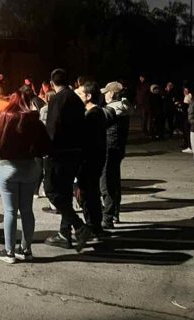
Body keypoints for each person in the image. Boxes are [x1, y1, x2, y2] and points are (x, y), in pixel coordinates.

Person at [0, 91, 51, 263]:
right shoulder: (34, 121)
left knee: (10, 211)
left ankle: (9, 252)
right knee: (27, 210)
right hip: (30, 168)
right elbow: (46, 147)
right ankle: (26, 249)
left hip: (8, 168)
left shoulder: (4, 118)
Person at [43, 68, 91, 251]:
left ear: (52, 83)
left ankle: (79, 227)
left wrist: (46, 149)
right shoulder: (76, 99)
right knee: (64, 192)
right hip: (74, 153)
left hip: (59, 154)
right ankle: (65, 233)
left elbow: (53, 128)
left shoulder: (57, 99)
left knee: (51, 190)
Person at [75, 81, 107, 237]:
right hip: (95, 160)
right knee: (91, 193)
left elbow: (86, 142)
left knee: (88, 195)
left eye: (80, 94)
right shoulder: (96, 113)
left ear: (88, 96)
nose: (77, 96)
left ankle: (92, 226)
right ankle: (95, 226)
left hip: (90, 161)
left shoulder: (93, 115)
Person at [100, 81, 130, 229]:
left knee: (106, 183)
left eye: (106, 92)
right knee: (115, 180)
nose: (104, 95)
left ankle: (107, 216)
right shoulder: (124, 107)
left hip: (108, 148)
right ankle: (115, 213)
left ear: (112, 94)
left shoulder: (110, 110)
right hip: (119, 149)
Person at [179, 86, 193, 153]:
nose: (185, 91)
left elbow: (185, 108)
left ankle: (190, 146)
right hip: (188, 116)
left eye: (186, 90)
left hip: (187, 117)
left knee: (188, 131)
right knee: (187, 131)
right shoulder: (189, 96)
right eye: (184, 90)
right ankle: (188, 145)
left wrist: (180, 106)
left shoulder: (188, 97)